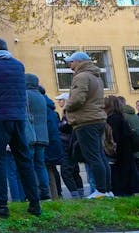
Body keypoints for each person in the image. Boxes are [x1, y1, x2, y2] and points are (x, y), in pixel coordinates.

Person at [0, 37, 41, 217]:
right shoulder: (19, 65)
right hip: (19, 117)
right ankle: (35, 203)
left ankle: (2, 205)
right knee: (24, 159)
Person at [62, 51, 112, 198]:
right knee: (100, 156)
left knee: (93, 156)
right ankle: (107, 190)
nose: (69, 65)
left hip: (86, 121)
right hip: (97, 119)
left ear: (79, 62)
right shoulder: (96, 77)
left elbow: (78, 99)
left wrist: (66, 107)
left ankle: (100, 191)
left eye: (71, 62)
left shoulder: (81, 76)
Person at [104, 96, 139, 196]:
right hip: (127, 153)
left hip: (119, 156)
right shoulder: (121, 117)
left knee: (121, 184)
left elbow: (113, 139)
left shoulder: (112, 119)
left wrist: (110, 152)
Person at [25, 74, 50, 201]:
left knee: (29, 165)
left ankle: (33, 193)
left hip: (30, 135)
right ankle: (45, 192)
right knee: (40, 165)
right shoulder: (41, 96)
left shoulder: (26, 95)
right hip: (42, 135)